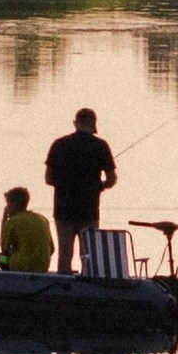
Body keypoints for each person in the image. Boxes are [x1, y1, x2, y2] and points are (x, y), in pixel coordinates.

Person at [43, 107, 118, 273]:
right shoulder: (100, 146)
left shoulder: (59, 144)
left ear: (75, 123)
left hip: (63, 207)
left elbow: (48, 179)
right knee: (88, 254)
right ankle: (87, 283)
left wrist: (64, 183)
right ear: (93, 124)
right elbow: (112, 179)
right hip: (89, 208)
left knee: (65, 253)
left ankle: (63, 283)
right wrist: (101, 186)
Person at [0, 185, 54, 272]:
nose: (7, 207)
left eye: (8, 204)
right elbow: (52, 249)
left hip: (19, 265)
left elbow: (4, 249)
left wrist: (4, 219)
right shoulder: (42, 219)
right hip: (42, 267)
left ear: (13, 203)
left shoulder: (13, 221)